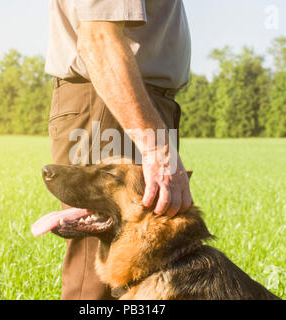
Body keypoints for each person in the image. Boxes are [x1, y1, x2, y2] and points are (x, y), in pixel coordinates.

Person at [45, 0, 193, 300]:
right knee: (99, 275)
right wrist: (157, 148)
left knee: (138, 274)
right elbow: (100, 39)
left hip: (136, 102)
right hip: (113, 98)